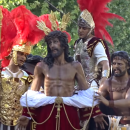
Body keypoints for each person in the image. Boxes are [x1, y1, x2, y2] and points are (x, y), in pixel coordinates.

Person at [18, 12, 102, 130]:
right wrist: (25, 115)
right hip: (46, 112)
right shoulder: (41, 66)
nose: (52, 45)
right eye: (50, 43)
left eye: (55, 42)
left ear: (63, 45)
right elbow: (33, 94)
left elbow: (85, 92)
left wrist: (96, 112)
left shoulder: (75, 66)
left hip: (69, 112)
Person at [73, 0, 125, 129]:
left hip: (94, 84)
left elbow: (106, 64)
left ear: (90, 29)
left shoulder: (95, 43)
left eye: (84, 28)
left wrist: (103, 81)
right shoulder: (77, 43)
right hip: (78, 84)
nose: (80, 30)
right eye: (79, 27)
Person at [0, 5, 42, 130]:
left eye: (25, 55)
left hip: (20, 124)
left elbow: (32, 101)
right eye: (20, 53)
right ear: (12, 52)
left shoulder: (28, 77)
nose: (23, 58)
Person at [95, 51, 130, 127]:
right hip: (116, 125)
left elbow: (128, 101)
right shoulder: (107, 83)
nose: (115, 66)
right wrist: (96, 113)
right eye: (114, 63)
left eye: (119, 64)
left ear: (128, 66)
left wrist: (108, 102)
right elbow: (96, 99)